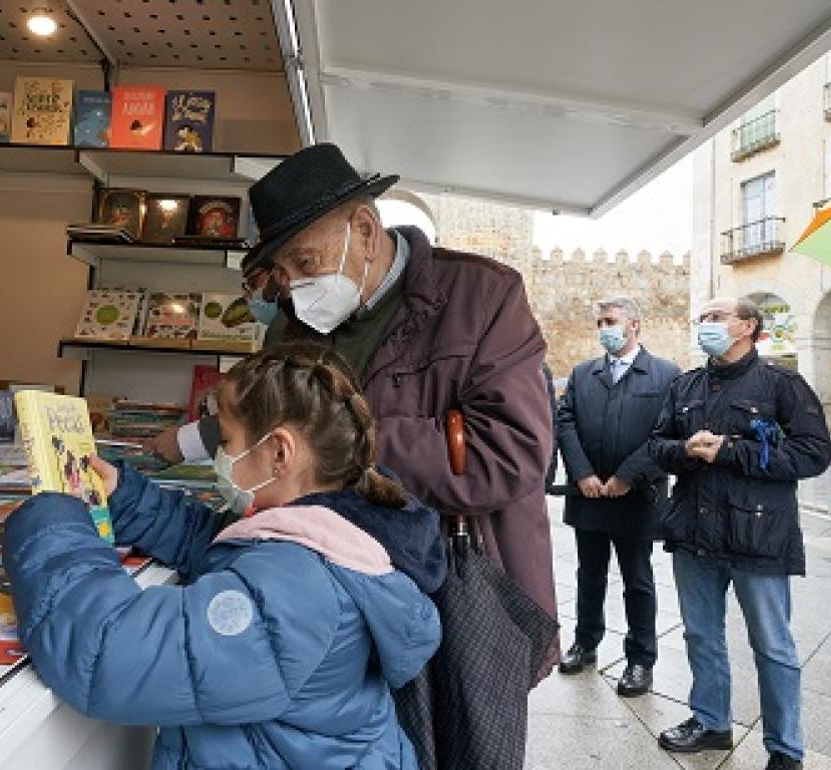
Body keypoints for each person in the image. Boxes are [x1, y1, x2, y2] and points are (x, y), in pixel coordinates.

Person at [146, 143, 557, 632]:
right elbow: (263, 420)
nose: (294, 285)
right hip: (331, 594)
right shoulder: (292, 325)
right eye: (282, 271)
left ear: (363, 230)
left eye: (305, 261)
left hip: (462, 596)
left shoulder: (484, 297)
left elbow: (508, 454)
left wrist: (335, 444)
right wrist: (196, 439)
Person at [4, 343, 445, 769]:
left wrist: (52, 521)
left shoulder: (299, 588)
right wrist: (125, 495)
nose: (219, 454)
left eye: (227, 438)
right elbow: (219, 544)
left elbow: (108, 652)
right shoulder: (335, 532)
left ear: (279, 452)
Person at [648, 297, 831, 770]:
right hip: (694, 532)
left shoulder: (782, 383)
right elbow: (656, 446)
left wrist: (731, 450)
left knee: (773, 644)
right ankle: (710, 722)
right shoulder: (685, 385)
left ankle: (785, 748)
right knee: (700, 635)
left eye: (716, 317)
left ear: (748, 326)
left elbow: (814, 453)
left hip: (758, 535)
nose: (705, 325)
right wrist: (686, 449)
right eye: (702, 319)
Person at [555, 297, 680, 697]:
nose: (604, 328)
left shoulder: (665, 375)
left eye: (611, 321)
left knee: (637, 579)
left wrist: (628, 475)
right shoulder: (582, 373)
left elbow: (668, 433)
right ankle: (585, 643)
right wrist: (583, 473)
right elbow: (566, 421)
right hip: (588, 493)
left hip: (637, 497)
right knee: (588, 575)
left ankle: (641, 659)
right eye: (600, 322)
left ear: (635, 325)